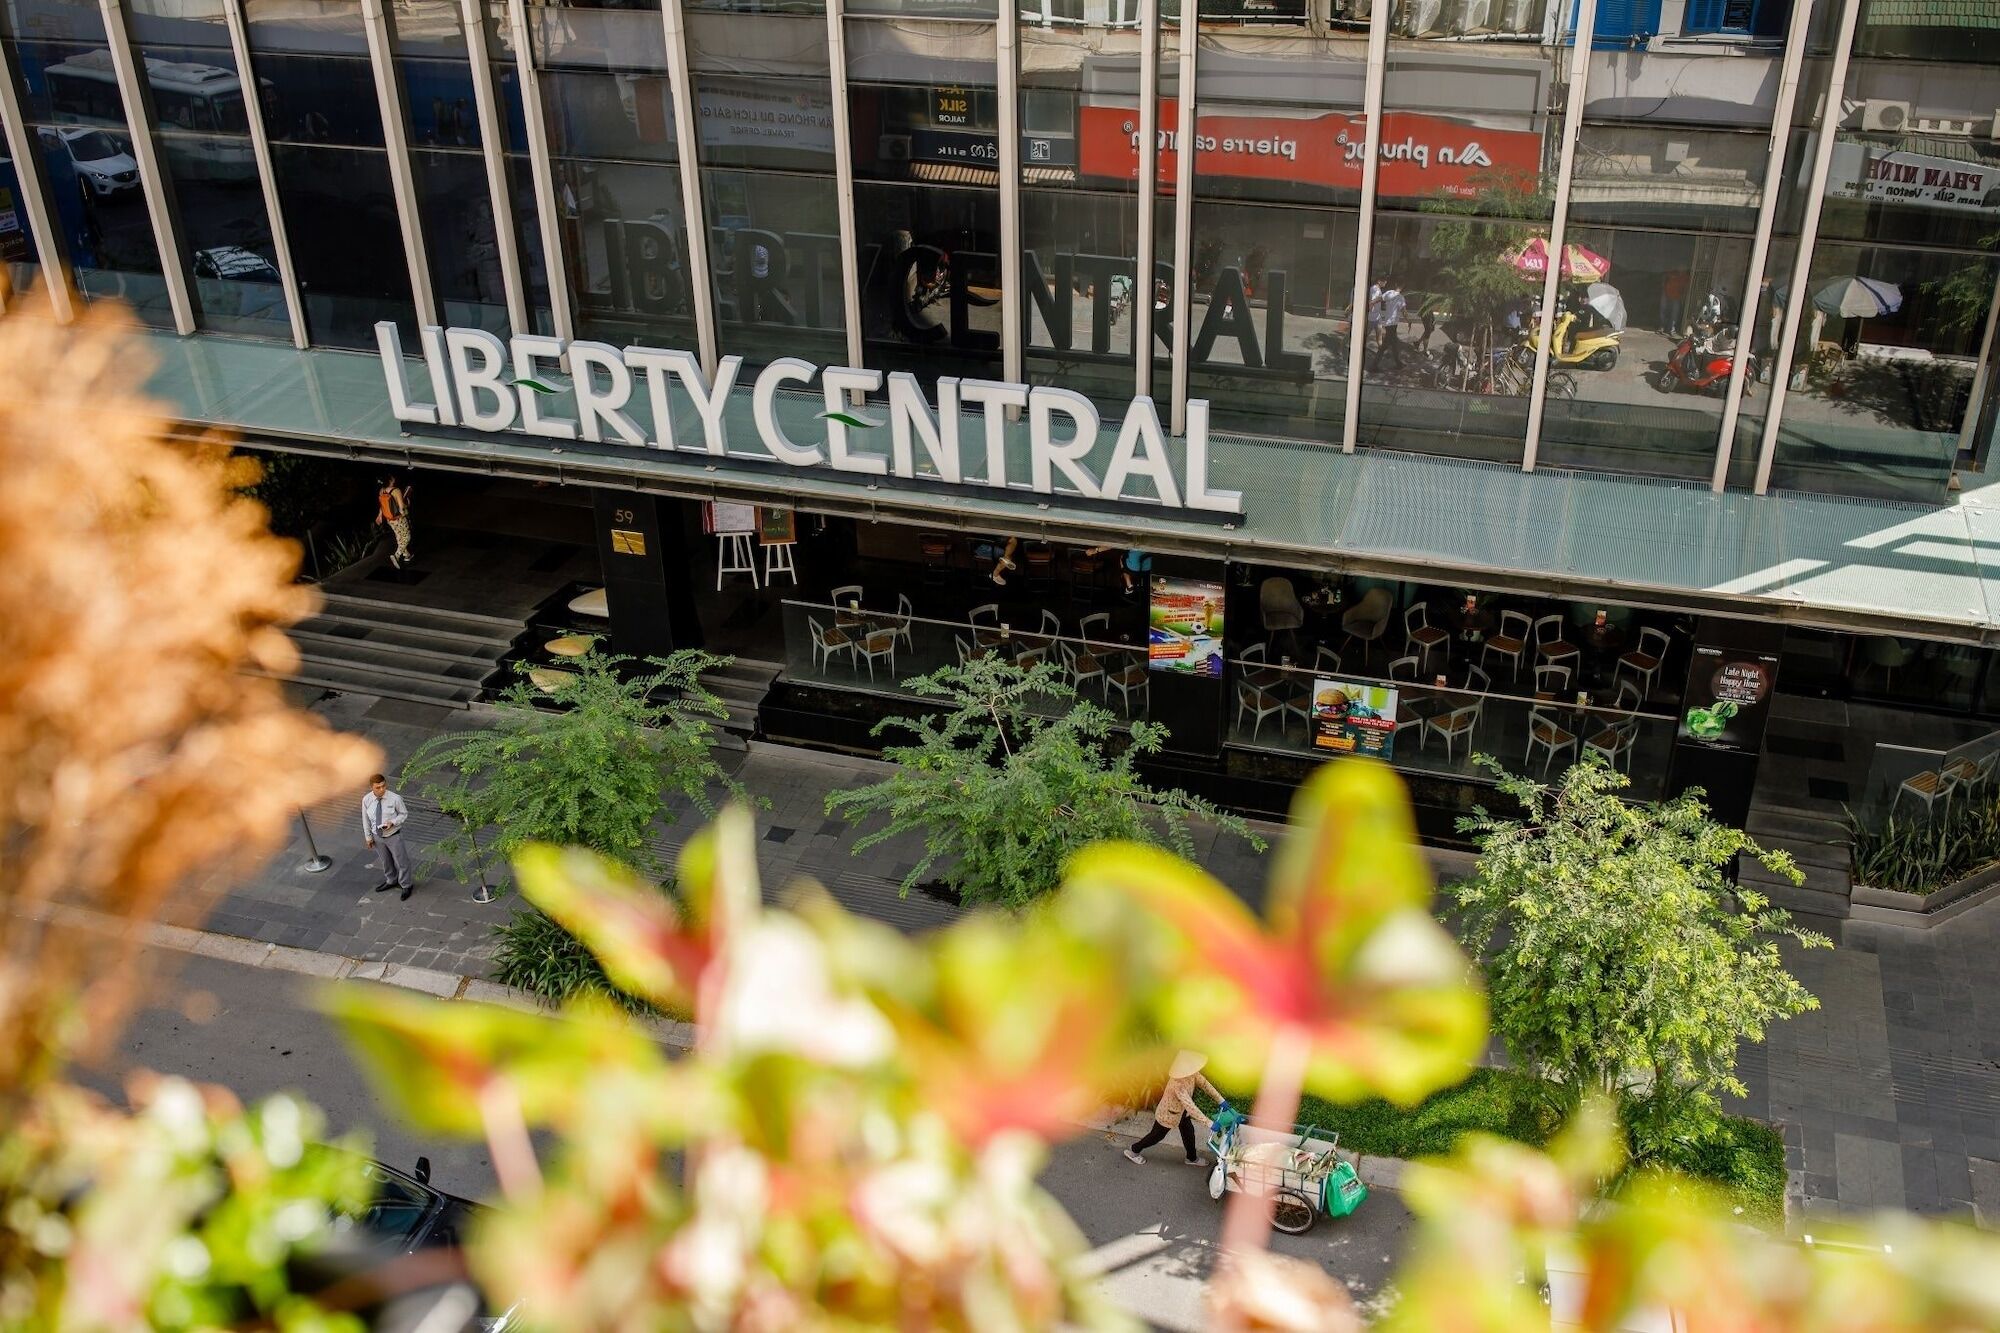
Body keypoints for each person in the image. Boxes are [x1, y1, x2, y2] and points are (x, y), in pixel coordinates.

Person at [1124, 1050, 1224, 1166]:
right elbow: (1190, 1105)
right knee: (1156, 1137)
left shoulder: (1193, 1074)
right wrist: (1209, 1123)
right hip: (1168, 1114)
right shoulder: (1177, 1084)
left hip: (1182, 1113)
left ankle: (1191, 1158)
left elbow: (1205, 1085)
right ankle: (1134, 1150)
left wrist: (1221, 1100)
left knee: (1189, 1133)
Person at [362, 773, 415, 901]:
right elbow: (365, 819)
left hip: (393, 836)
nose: (382, 789)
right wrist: (368, 837)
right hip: (377, 836)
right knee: (386, 861)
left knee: (401, 862)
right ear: (371, 787)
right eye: (378, 787)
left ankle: (406, 884)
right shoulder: (366, 800)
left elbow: (403, 814)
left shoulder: (395, 798)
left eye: (383, 786)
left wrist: (393, 822)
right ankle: (391, 880)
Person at [376, 476, 414, 569]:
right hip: (399, 518)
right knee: (406, 537)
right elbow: (401, 508)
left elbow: (382, 505)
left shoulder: (382, 490)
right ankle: (396, 556)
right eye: (393, 478)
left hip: (389, 519)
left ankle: (407, 556)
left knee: (399, 536)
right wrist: (407, 503)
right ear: (390, 480)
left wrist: (379, 515)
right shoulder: (396, 490)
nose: (394, 479)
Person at [1660, 268, 1690, 336]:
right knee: (1664, 311)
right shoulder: (1671, 273)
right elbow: (1664, 280)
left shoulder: (1685, 277)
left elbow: (1686, 288)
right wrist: (1663, 290)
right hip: (1666, 294)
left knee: (1674, 314)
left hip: (1677, 297)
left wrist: (1683, 296)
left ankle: (1671, 329)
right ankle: (1662, 327)